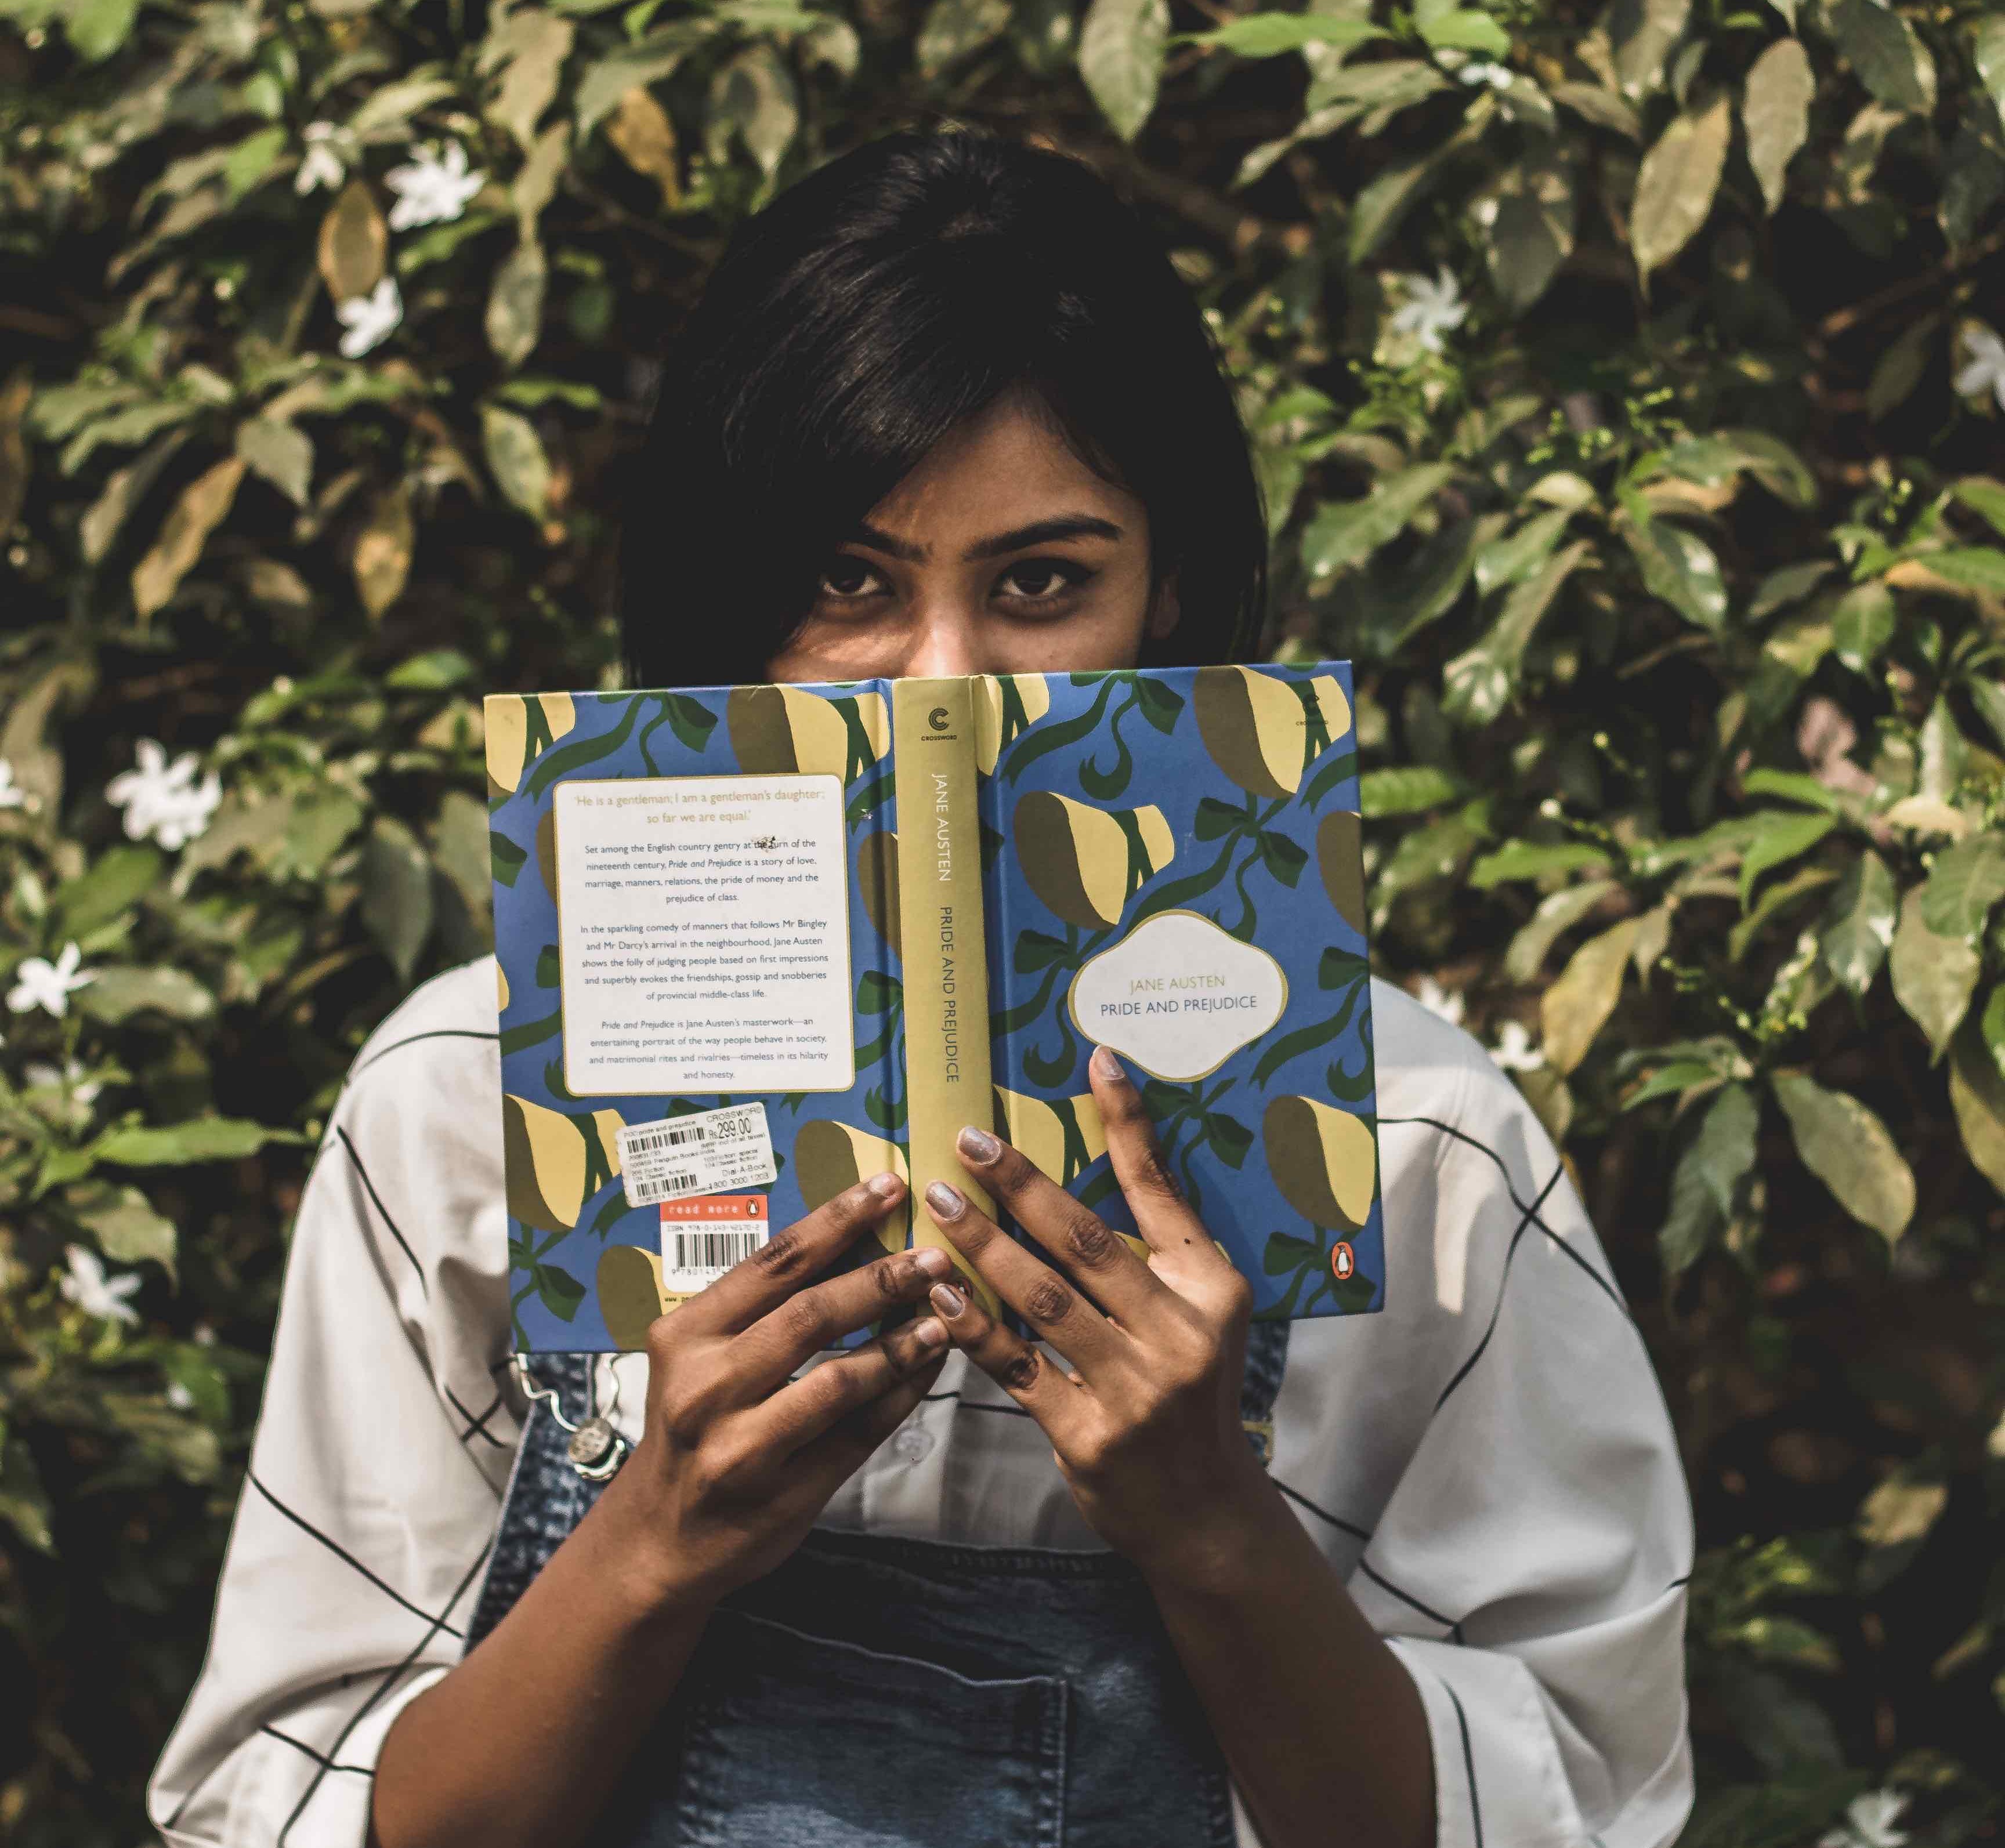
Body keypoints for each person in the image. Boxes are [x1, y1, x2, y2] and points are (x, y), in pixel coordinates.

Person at [147, 132, 1694, 1848]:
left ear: (1165, 591)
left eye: (1040, 583)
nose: (941, 685)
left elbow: (1584, 1796)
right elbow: (275, 1803)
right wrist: (650, 1537)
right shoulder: (461, 1101)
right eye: (847, 582)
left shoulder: (1422, 1150)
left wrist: (1216, 1530)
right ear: (734, 592)